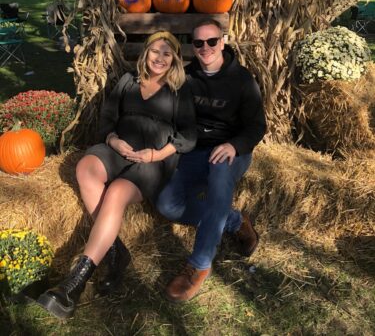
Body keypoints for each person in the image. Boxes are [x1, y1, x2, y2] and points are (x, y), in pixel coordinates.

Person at [37, 31, 196, 319]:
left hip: (151, 160)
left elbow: (188, 136)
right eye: (154, 51)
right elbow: (107, 119)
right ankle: (115, 251)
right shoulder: (127, 81)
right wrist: (113, 140)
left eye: (167, 53)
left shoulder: (179, 90)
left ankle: (75, 283)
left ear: (174, 60)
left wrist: (155, 155)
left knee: (117, 193)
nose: (159, 59)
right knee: (84, 168)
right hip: (118, 148)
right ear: (145, 53)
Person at [156, 18, 267, 302]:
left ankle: (199, 265)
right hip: (194, 150)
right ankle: (233, 221)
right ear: (193, 47)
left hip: (230, 151)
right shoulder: (187, 77)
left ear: (223, 42)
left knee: (219, 176)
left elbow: (257, 127)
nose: (205, 47)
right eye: (198, 43)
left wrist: (234, 145)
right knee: (167, 205)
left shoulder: (242, 79)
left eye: (212, 41)